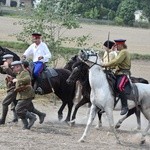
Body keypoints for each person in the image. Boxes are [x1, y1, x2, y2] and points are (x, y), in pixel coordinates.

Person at [11, 61, 46, 129]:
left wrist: (17, 80)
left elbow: (28, 79)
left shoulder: (25, 72)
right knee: (30, 108)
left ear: (18, 67)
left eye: (14, 68)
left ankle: (31, 118)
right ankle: (41, 115)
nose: (13, 69)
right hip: (22, 94)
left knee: (18, 110)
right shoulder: (19, 73)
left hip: (26, 95)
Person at [102, 39, 131, 115]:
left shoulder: (124, 52)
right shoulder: (119, 52)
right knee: (109, 86)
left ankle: (125, 106)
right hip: (117, 73)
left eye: (116, 45)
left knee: (120, 87)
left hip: (124, 73)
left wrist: (105, 65)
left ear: (121, 45)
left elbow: (116, 61)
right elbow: (114, 63)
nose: (115, 47)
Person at [0, 54, 18, 124]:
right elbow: (3, 71)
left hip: (14, 88)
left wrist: (7, 68)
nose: (5, 62)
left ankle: (2, 120)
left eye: (6, 60)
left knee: (5, 103)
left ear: (10, 60)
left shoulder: (16, 66)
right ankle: (16, 118)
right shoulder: (10, 66)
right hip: (11, 88)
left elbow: (15, 75)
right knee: (16, 104)